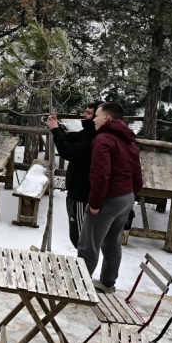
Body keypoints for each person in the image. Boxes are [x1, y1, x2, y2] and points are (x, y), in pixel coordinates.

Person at [79, 102, 142, 294]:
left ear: (107, 117)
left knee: (89, 243)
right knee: (112, 242)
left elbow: (100, 174)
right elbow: (137, 172)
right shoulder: (128, 140)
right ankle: (107, 283)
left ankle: (79, 285)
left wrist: (96, 203)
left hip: (109, 199)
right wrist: (132, 196)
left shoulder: (103, 139)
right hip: (126, 198)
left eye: (96, 115)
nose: (94, 120)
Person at [46, 101, 101, 249]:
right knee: (76, 235)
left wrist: (56, 130)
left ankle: (83, 269)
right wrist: (57, 127)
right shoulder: (88, 133)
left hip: (82, 195)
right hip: (75, 193)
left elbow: (68, 152)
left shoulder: (95, 139)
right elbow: (70, 139)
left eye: (89, 113)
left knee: (81, 238)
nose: (84, 115)